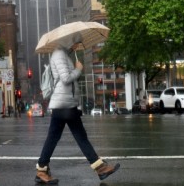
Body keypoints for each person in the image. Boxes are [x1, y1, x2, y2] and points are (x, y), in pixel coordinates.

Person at [35, 37, 120, 184]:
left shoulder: (64, 54)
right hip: (64, 103)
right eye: (75, 42)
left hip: (66, 103)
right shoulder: (59, 55)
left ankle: (42, 170)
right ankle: (100, 168)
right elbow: (66, 78)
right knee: (78, 137)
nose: (76, 45)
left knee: (58, 137)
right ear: (67, 41)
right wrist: (78, 69)